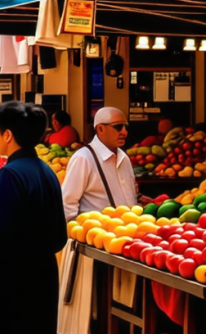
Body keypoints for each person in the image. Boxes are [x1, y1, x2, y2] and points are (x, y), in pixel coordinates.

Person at [0, 102, 66, 334]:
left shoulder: (10, 173)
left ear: (8, 134)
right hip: (44, 272)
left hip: (13, 274)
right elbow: (60, 235)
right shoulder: (47, 171)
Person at [58, 107, 135, 334]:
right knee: (95, 309)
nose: (124, 132)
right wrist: (77, 241)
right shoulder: (83, 159)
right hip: (95, 246)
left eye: (125, 127)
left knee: (121, 304)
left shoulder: (124, 158)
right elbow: (67, 205)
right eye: (118, 127)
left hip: (126, 243)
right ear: (100, 129)